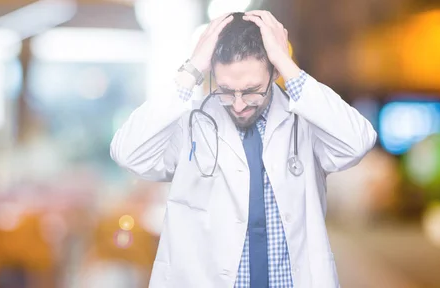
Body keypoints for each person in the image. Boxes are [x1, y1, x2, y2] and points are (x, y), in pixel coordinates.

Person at [110, 11, 377, 288]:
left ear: (274, 72)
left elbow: (358, 141)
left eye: (252, 90)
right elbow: (127, 152)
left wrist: (288, 64)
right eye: (226, 89)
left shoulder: (304, 122)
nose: (238, 104)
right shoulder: (191, 125)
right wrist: (192, 68)